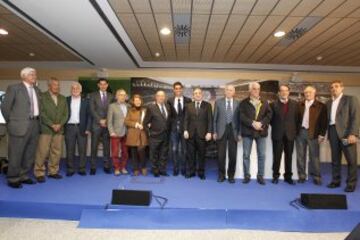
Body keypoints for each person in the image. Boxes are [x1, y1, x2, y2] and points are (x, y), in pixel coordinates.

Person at [1, 67, 41, 188]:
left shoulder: (37, 90)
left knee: (29, 154)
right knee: (16, 154)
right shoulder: (14, 88)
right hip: (18, 126)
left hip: (34, 124)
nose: (34, 76)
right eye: (31, 74)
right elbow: (5, 108)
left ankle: (23, 175)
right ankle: (13, 178)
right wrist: (12, 122)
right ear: (23, 76)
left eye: (34, 74)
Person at [326, 80, 360, 192]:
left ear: (342, 88)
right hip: (333, 133)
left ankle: (351, 184)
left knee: (351, 160)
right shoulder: (328, 103)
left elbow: (355, 117)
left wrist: (353, 134)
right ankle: (336, 181)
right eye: (332, 87)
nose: (334, 89)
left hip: (346, 135)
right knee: (335, 159)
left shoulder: (351, 99)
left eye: (336, 86)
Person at [34, 77, 68, 183]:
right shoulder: (42, 97)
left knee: (56, 152)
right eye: (54, 85)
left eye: (58, 85)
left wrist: (60, 124)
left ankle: (53, 172)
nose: (57, 87)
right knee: (42, 152)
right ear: (49, 86)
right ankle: (39, 172)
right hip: (46, 130)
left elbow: (66, 114)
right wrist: (51, 124)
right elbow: (41, 113)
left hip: (59, 129)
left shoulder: (63, 98)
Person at [239, 82, 272, 185]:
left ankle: (260, 176)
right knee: (246, 155)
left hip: (261, 132)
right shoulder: (243, 102)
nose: (256, 90)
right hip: (248, 132)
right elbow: (241, 116)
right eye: (254, 89)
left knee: (262, 155)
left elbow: (269, 115)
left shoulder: (265, 102)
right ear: (250, 90)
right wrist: (252, 123)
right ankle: (246, 175)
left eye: (258, 89)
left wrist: (261, 123)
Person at [296, 85, 327, 185]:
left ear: (314, 93)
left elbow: (324, 121)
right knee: (300, 155)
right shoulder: (299, 105)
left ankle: (317, 176)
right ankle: (301, 175)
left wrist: (322, 134)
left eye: (310, 92)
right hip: (300, 132)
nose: (307, 94)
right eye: (306, 93)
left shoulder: (321, 106)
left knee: (314, 156)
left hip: (313, 133)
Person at [270, 84, 299, 185]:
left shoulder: (295, 104)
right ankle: (275, 176)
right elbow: (270, 120)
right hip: (277, 134)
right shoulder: (273, 105)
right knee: (276, 156)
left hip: (290, 135)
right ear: (279, 93)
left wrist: (295, 132)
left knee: (289, 157)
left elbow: (297, 119)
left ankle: (288, 177)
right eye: (282, 91)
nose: (284, 92)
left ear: (289, 92)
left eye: (286, 90)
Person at [213, 85, 241, 184]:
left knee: (233, 155)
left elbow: (240, 120)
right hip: (221, 131)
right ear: (225, 92)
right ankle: (221, 175)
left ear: (234, 92)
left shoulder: (238, 103)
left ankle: (231, 176)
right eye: (227, 90)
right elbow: (215, 119)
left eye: (231, 90)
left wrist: (239, 133)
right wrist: (215, 131)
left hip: (234, 131)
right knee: (221, 155)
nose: (229, 92)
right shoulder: (218, 102)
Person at [184, 88, 213, 180]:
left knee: (201, 155)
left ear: (202, 95)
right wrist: (185, 130)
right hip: (191, 134)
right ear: (193, 95)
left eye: (199, 93)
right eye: (195, 93)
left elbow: (210, 120)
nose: (197, 95)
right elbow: (186, 119)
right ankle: (191, 172)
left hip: (202, 134)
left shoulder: (207, 105)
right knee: (191, 155)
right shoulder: (188, 106)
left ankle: (201, 172)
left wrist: (209, 132)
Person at [65, 82, 91, 176]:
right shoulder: (66, 100)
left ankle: (82, 168)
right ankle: (70, 169)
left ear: (80, 90)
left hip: (82, 127)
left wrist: (88, 128)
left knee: (82, 150)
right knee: (70, 150)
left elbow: (89, 116)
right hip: (69, 127)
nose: (75, 90)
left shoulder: (86, 101)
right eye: (73, 88)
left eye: (77, 88)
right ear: (71, 90)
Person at [143, 90, 171, 177]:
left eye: (163, 96)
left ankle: (162, 170)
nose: (161, 97)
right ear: (156, 97)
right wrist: (149, 133)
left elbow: (169, 120)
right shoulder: (151, 107)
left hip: (166, 135)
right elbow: (145, 122)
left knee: (164, 154)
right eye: (159, 96)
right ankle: (155, 170)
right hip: (154, 136)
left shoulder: (167, 106)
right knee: (154, 154)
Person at [89, 78, 113, 175]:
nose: (103, 86)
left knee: (107, 147)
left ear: (107, 85)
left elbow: (112, 110)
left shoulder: (111, 96)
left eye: (105, 84)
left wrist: (106, 120)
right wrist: (100, 120)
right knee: (94, 146)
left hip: (107, 125)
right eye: (101, 84)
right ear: (98, 85)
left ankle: (106, 166)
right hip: (96, 124)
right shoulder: (93, 95)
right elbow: (92, 110)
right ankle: (93, 167)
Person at [167, 82, 192, 176]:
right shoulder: (169, 100)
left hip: (185, 130)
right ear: (174, 90)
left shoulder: (188, 100)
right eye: (176, 88)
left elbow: (190, 116)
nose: (178, 90)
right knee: (174, 149)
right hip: (173, 129)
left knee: (184, 150)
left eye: (179, 88)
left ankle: (183, 168)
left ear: (182, 89)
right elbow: (167, 115)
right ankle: (175, 168)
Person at [125, 94, 148, 176]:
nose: (138, 102)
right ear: (133, 102)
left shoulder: (145, 110)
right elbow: (126, 121)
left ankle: (144, 167)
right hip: (133, 133)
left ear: (141, 101)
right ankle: (135, 168)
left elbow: (148, 120)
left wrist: (147, 125)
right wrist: (135, 124)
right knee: (134, 152)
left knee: (142, 151)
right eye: (136, 100)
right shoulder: (130, 110)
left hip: (142, 134)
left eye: (139, 100)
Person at [107, 89, 129, 176]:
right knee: (115, 152)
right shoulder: (112, 106)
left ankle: (123, 167)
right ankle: (116, 168)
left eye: (124, 95)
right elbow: (109, 121)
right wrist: (111, 131)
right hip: (115, 132)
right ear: (116, 96)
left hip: (127, 133)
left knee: (125, 152)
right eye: (120, 94)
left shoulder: (129, 106)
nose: (122, 96)